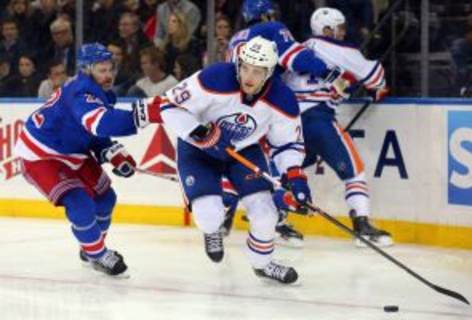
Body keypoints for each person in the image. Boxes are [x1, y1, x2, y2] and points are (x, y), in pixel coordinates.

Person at [151, 36, 311, 284]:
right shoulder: (215, 77)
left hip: (243, 151)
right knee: (209, 215)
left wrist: (295, 175)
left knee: (266, 213)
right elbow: (168, 106)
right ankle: (212, 230)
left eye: (257, 72)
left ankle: (263, 264)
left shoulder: (283, 99)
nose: (248, 76)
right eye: (245, 68)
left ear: (269, 73)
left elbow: (288, 143)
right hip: (198, 149)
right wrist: (201, 134)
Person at [14, 43, 162, 276]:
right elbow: (100, 123)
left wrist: (111, 151)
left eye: (110, 69)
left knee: (106, 197)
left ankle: (91, 248)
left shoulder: (99, 92)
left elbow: (92, 132)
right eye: (102, 70)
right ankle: (98, 255)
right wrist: (146, 114)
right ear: (86, 69)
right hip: (41, 154)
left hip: (72, 150)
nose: (108, 75)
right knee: (79, 202)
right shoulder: (80, 93)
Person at [222, 0, 352, 246]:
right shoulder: (271, 30)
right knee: (280, 156)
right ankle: (276, 212)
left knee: (250, 159)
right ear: (267, 15)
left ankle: (229, 204)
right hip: (262, 101)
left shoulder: (236, 37)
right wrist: (332, 75)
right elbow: (298, 57)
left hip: (235, 104)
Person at [283, 7, 392, 247]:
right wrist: (378, 87)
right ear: (327, 30)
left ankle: (275, 219)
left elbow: (329, 85)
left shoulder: (297, 49)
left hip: (289, 122)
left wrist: (346, 86)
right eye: (340, 28)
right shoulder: (338, 48)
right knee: (354, 171)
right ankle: (362, 225)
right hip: (317, 119)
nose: (343, 33)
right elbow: (375, 77)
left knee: (288, 171)